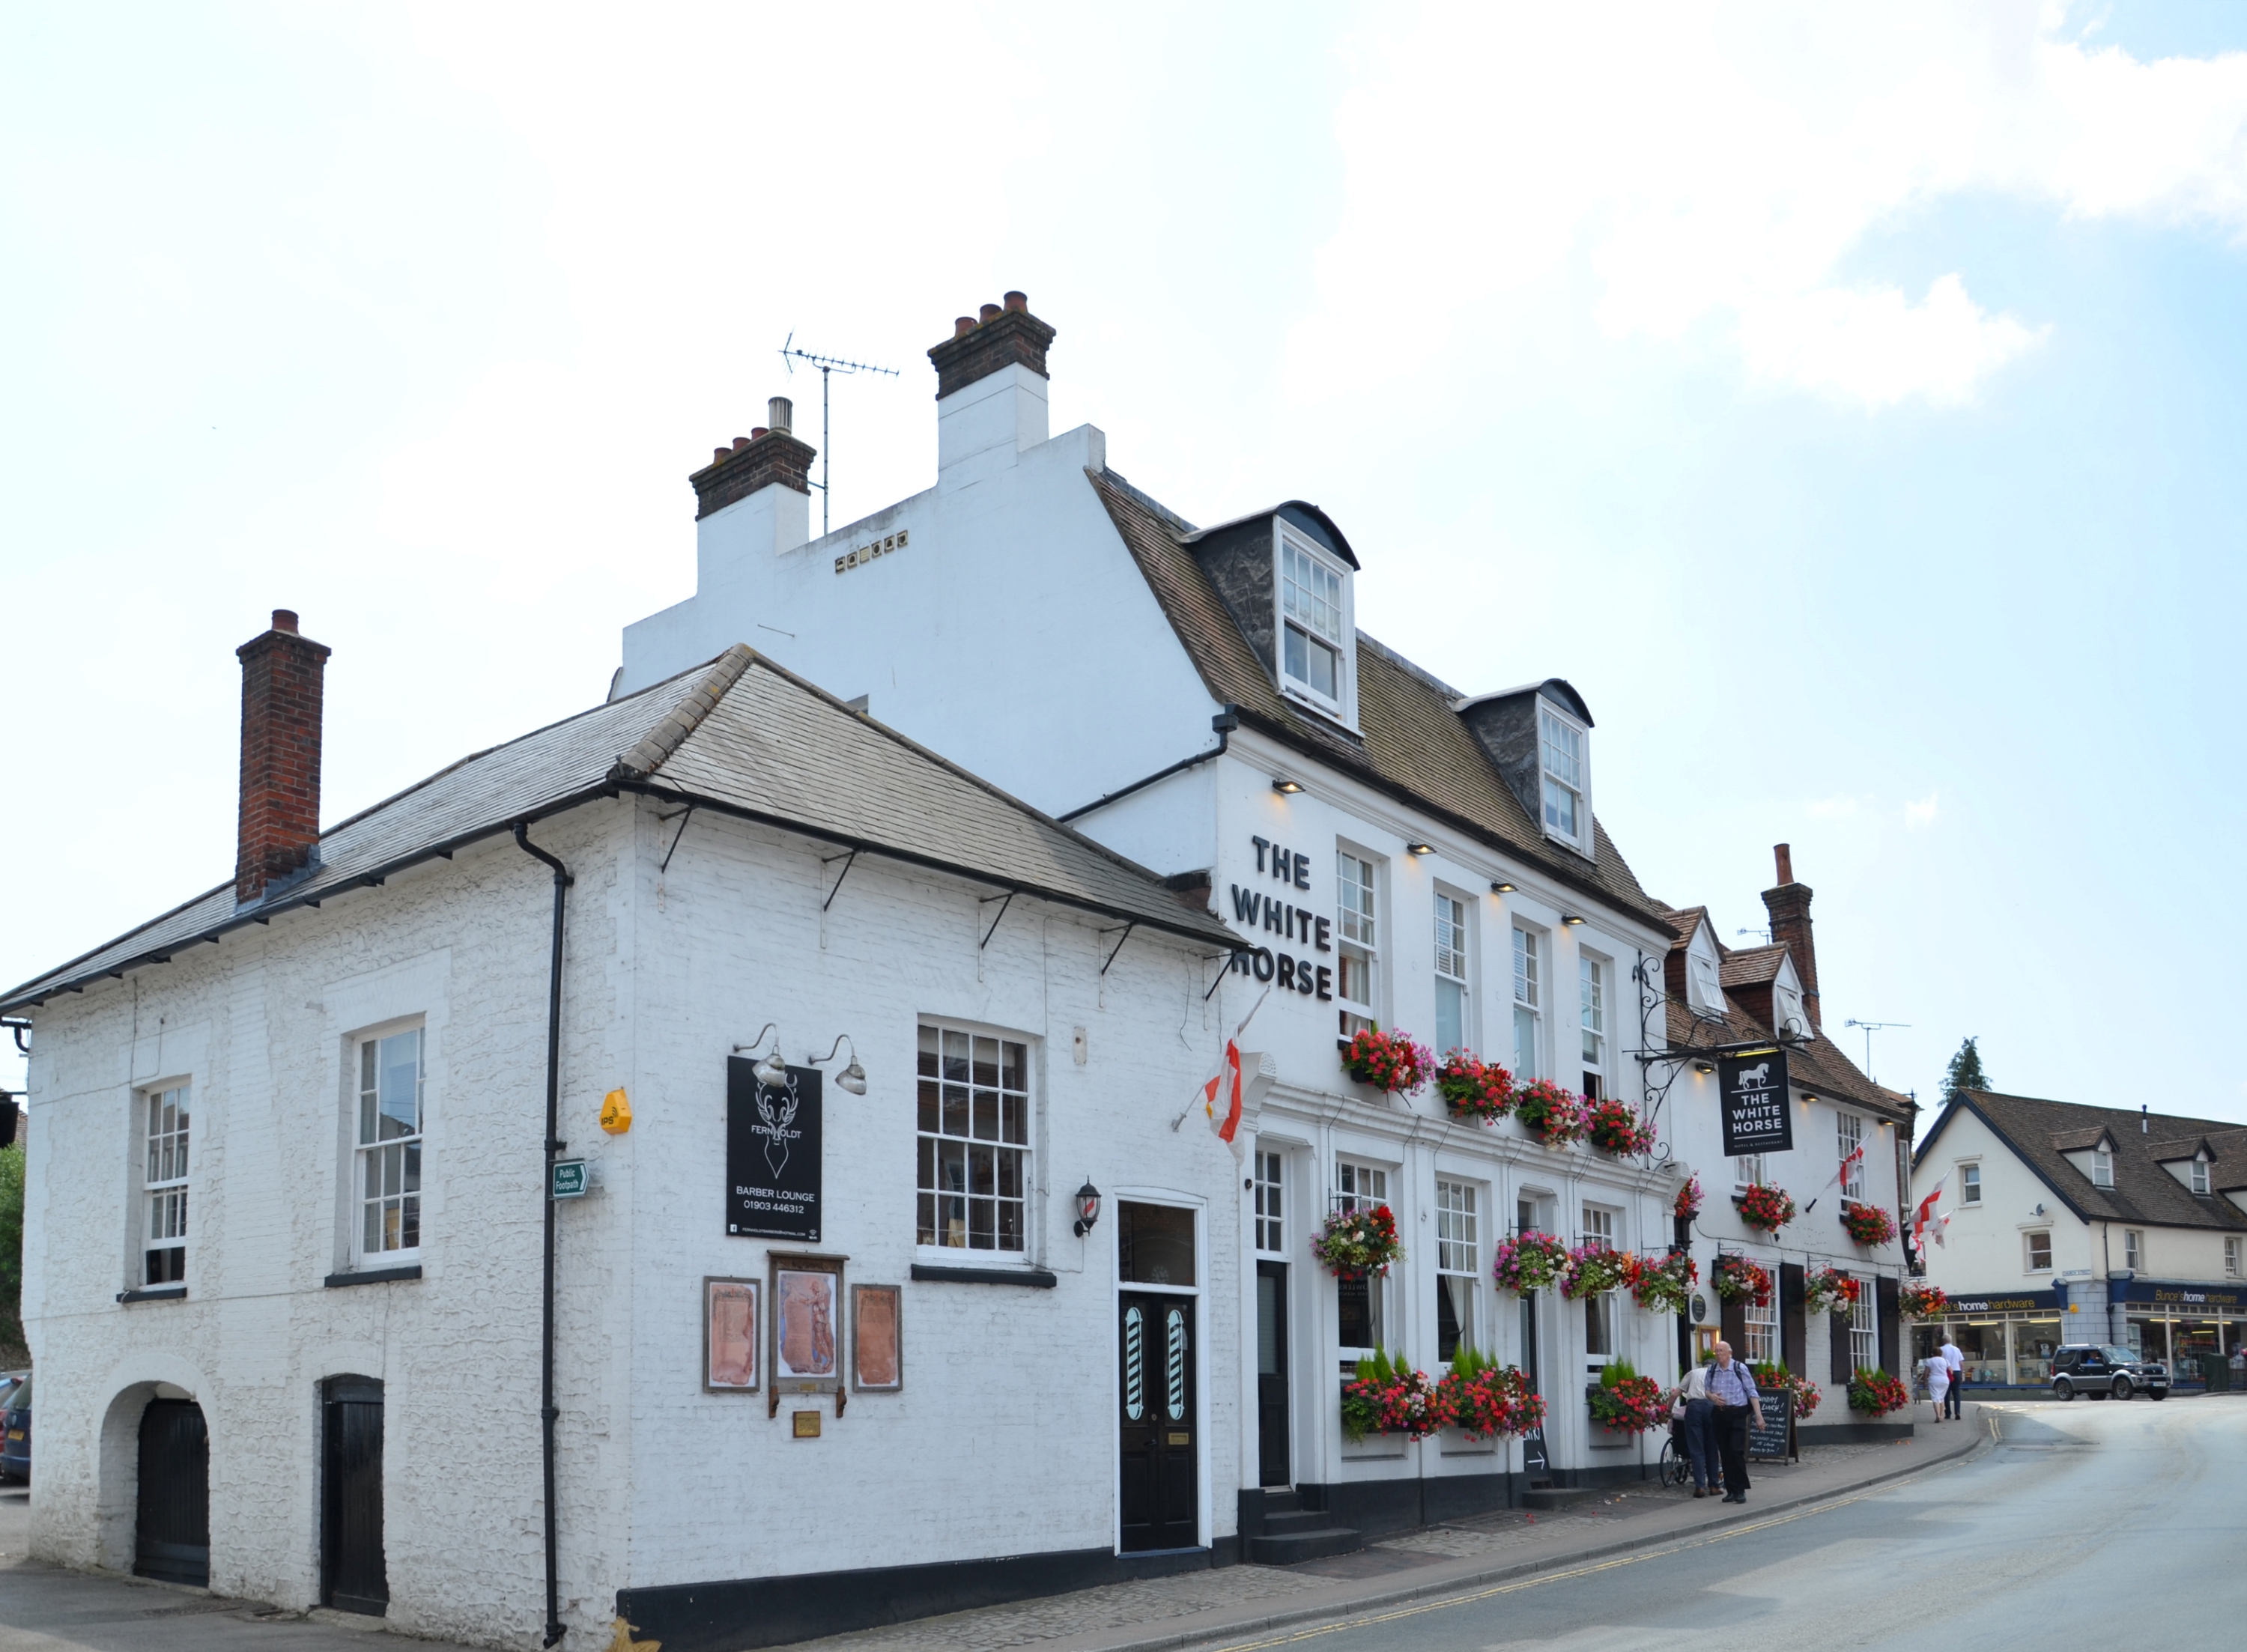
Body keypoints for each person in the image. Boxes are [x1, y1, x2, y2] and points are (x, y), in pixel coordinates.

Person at [1705, 1340, 1763, 1504]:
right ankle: (1731, 1490)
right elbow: (1706, 1390)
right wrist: (1712, 1397)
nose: (1718, 1354)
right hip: (1719, 1414)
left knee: (1736, 1450)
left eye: (1721, 1351)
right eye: (1716, 1351)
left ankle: (1741, 1490)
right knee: (1725, 1452)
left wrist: (1759, 1416)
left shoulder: (1740, 1368)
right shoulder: (1712, 1370)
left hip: (1737, 1413)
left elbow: (1752, 1392)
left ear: (1730, 1353)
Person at [1671, 1358, 1717, 1498]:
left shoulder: (1693, 1373)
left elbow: (1674, 1394)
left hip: (1694, 1408)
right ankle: (1714, 1486)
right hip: (1712, 1408)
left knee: (1697, 1449)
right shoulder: (1718, 1374)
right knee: (1712, 1448)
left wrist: (1668, 1411)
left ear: (1703, 1366)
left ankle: (1700, 1487)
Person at [1941, 1334, 1965, 1421]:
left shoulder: (1941, 1350)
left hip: (1946, 1372)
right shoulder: (1957, 1349)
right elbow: (1961, 1364)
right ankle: (1957, 1412)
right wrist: (1961, 1375)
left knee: (1946, 1393)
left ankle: (1948, 1413)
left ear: (1944, 1340)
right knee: (1957, 1393)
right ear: (1950, 1340)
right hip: (1957, 1371)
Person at [1923, 1350, 1950, 1423]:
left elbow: (1926, 1373)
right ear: (1941, 1354)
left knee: (1935, 1398)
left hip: (1933, 1380)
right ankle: (1941, 1416)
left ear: (1933, 1354)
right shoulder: (1946, 1361)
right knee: (1941, 1398)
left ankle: (1937, 1415)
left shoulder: (1929, 1361)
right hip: (1944, 1380)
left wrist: (1924, 1382)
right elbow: (1951, 1370)